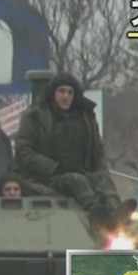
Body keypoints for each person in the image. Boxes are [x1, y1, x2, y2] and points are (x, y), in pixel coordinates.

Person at [15, 72, 123, 222]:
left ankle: (117, 213)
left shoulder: (85, 117)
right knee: (76, 180)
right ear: (53, 93)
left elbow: (97, 154)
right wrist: (54, 167)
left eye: (70, 92)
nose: (66, 96)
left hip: (82, 171)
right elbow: (23, 152)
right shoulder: (35, 116)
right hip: (45, 178)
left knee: (102, 181)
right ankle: (96, 212)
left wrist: (108, 189)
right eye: (61, 91)